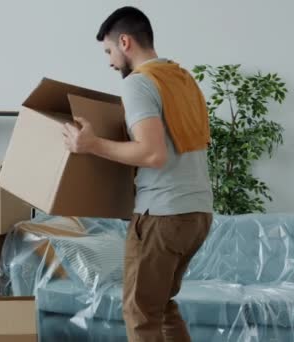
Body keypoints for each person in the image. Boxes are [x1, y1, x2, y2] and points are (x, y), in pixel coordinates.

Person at [62, 6, 214, 342]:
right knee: (160, 307)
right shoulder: (182, 79)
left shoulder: (139, 84)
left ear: (125, 42)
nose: (110, 61)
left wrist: (90, 144)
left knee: (139, 312)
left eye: (109, 50)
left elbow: (151, 153)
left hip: (163, 214)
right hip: (197, 213)